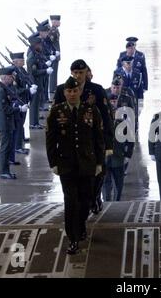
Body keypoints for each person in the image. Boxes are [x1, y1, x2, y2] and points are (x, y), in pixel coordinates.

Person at [46, 76, 104, 255]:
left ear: (80, 91)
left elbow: (98, 138)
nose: (72, 94)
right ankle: (73, 238)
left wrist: (100, 162)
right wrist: (53, 162)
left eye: (75, 91)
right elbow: (50, 140)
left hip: (87, 164)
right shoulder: (56, 112)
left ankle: (81, 226)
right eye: (68, 91)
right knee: (71, 202)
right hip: (67, 165)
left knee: (86, 200)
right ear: (64, 93)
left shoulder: (91, 110)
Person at [53, 60, 114, 215]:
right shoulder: (62, 90)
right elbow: (54, 119)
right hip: (71, 143)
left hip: (94, 142)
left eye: (81, 72)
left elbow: (106, 118)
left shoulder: (97, 90)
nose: (78, 76)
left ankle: (95, 198)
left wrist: (108, 145)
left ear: (87, 72)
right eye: (75, 73)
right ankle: (83, 207)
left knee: (98, 174)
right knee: (78, 180)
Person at [0, 67, 28, 179]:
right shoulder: (1, 91)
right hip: (4, 124)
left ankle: (6, 170)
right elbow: (6, 109)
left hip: (7, 123)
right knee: (5, 148)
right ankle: (3, 172)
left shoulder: (4, 89)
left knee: (8, 147)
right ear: (5, 78)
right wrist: (19, 109)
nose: (12, 79)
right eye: (10, 77)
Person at [102, 94, 135, 201]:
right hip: (105, 158)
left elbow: (130, 140)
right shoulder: (101, 123)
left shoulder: (123, 124)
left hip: (118, 157)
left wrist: (128, 155)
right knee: (105, 183)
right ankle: (106, 202)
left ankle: (117, 203)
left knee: (118, 183)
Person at [27, 35, 53, 129]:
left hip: (38, 81)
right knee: (34, 104)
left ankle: (36, 122)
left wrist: (45, 65)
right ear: (35, 45)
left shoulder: (36, 54)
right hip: (34, 82)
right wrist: (45, 71)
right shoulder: (32, 57)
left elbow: (39, 65)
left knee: (37, 102)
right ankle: (33, 123)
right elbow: (33, 72)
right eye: (39, 44)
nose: (41, 46)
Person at [49, 15, 61, 94]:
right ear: (54, 22)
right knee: (53, 72)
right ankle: (53, 89)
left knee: (55, 72)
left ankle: (54, 87)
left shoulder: (55, 29)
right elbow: (50, 43)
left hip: (56, 54)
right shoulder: (53, 30)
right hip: (53, 55)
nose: (59, 23)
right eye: (58, 21)